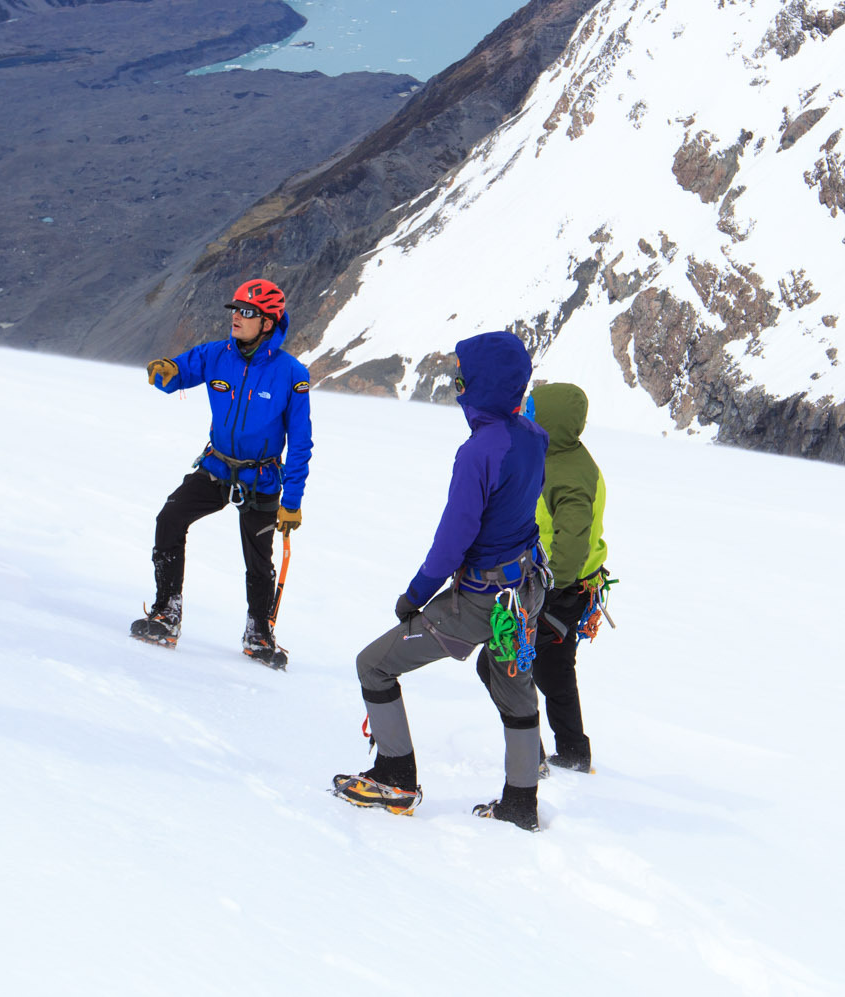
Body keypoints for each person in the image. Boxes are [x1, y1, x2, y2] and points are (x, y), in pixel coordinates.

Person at [333, 330, 550, 831]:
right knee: (514, 689)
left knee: (374, 666)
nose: (456, 386)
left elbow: (454, 540)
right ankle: (521, 802)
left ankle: (395, 778)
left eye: (461, 377)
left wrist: (415, 594)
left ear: (481, 384)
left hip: (478, 601)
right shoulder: (532, 439)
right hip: (525, 591)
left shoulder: (478, 452)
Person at [133, 279, 311, 670]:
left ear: (268, 323)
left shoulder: (291, 374)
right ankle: (166, 612)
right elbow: (179, 371)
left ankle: (259, 632)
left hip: (261, 480)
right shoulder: (218, 355)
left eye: (247, 313)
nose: (237, 318)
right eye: (235, 310)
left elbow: (300, 443)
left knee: (258, 561)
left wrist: (292, 502)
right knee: (170, 518)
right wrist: (165, 371)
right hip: (216, 469)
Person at [526, 382, 612, 775]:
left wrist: (547, 588)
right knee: (550, 668)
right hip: (565, 585)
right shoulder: (559, 457)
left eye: (532, 410)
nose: (526, 414)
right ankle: (572, 753)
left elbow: (573, 543)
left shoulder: (569, 475)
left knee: (504, 666)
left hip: (561, 589)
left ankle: (531, 753)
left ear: (552, 422)